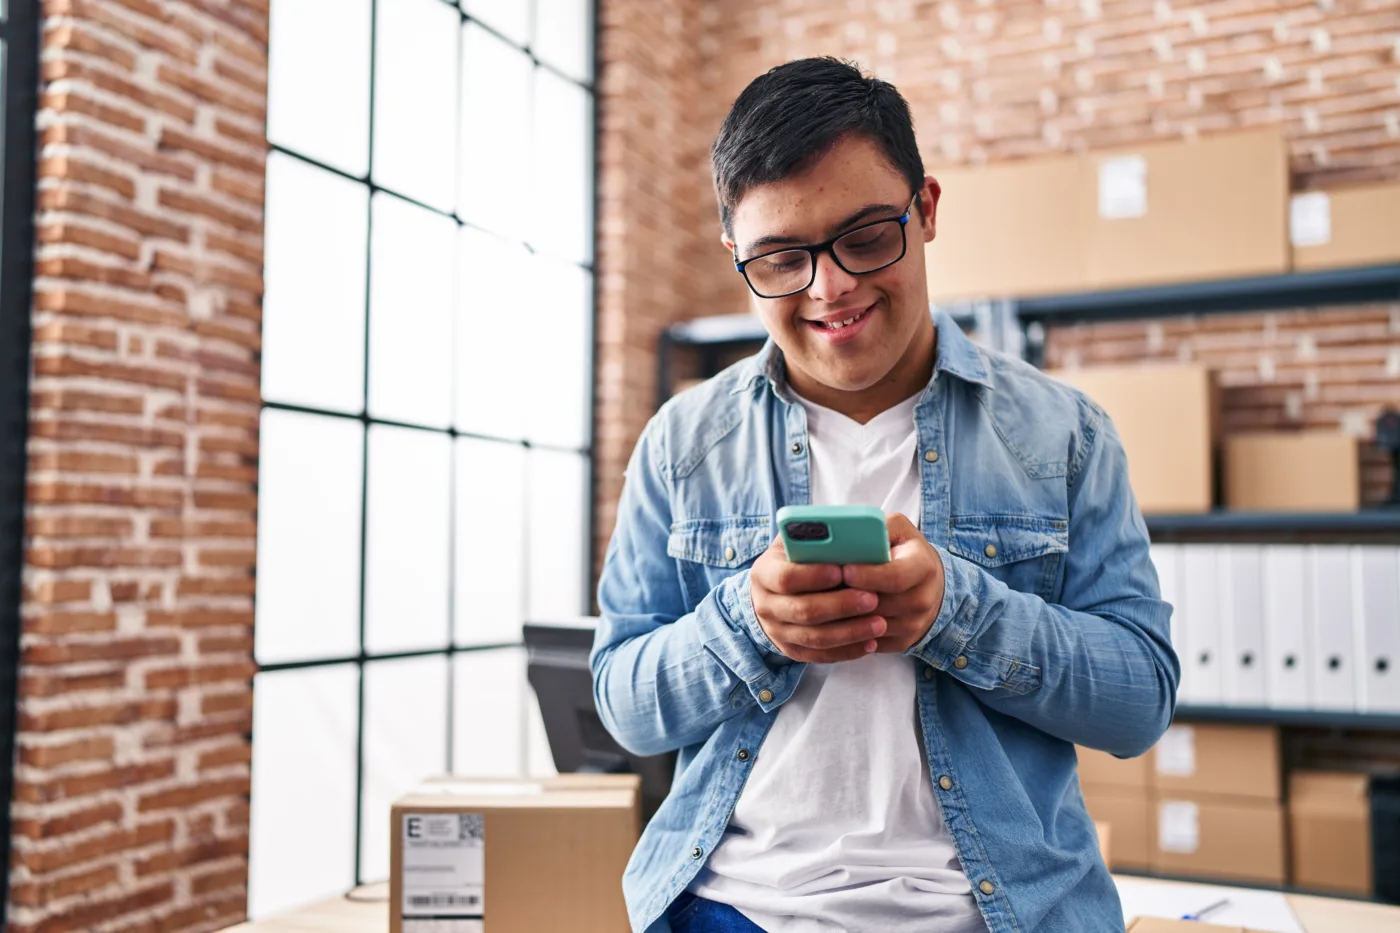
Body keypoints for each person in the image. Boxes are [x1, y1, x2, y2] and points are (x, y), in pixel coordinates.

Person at [591, 57, 1178, 933]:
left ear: (926, 209)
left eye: (866, 237)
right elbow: (623, 702)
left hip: (1000, 914)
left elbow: (1139, 701)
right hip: (732, 910)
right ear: (737, 258)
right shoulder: (684, 442)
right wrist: (747, 623)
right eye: (782, 259)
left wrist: (959, 612)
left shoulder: (1064, 434)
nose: (832, 289)